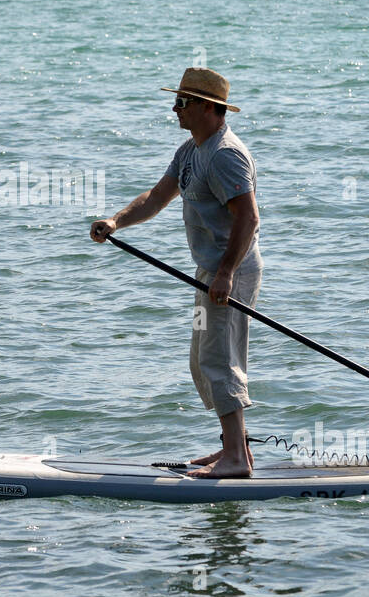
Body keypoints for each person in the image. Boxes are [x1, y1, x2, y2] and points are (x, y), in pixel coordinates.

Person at [91, 68, 262, 478]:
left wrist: (225, 275)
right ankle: (233, 450)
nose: (175, 108)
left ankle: (237, 462)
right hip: (208, 271)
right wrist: (115, 222)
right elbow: (156, 196)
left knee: (219, 359)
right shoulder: (191, 150)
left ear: (209, 107)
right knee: (204, 359)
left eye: (183, 102)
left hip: (230, 272)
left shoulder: (225, 155)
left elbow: (249, 219)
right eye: (176, 100)